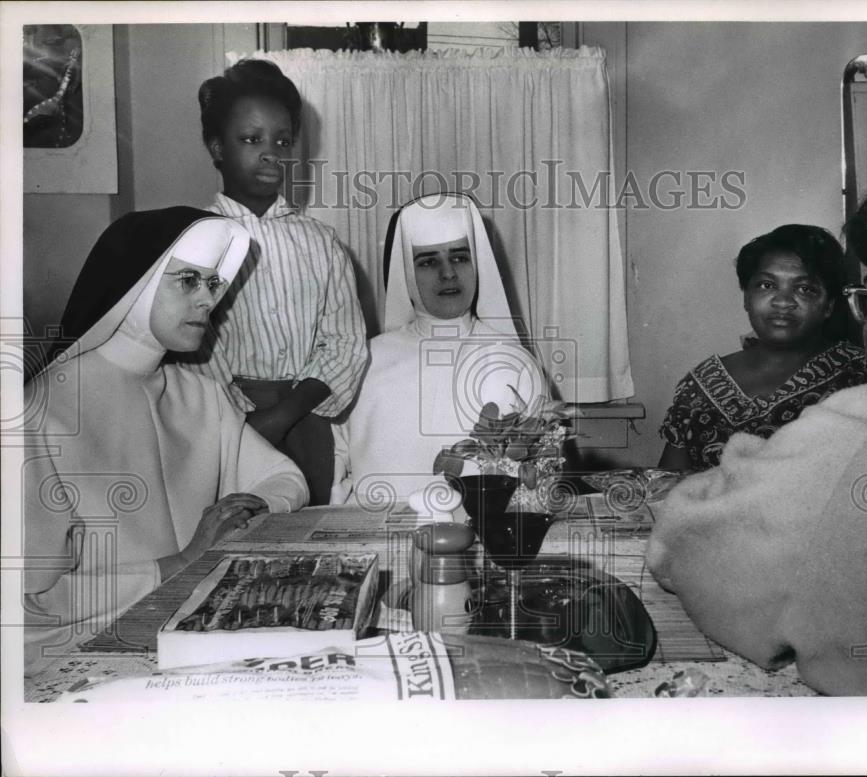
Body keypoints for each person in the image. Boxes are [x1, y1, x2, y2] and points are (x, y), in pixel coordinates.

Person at [645, 148, 867, 695]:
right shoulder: (706, 378)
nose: (782, 302)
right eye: (765, 285)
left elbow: (690, 552)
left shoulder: (859, 415)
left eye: (864, 295)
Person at [23, 209, 309, 674]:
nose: (207, 301)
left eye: (214, 284)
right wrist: (180, 563)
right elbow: (26, 612)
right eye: (188, 281)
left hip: (196, 648)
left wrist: (246, 510)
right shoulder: (38, 413)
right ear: (137, 284)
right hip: (95, 668)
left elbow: (284, 478)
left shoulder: (201, 394)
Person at [185, 58, 368, 505]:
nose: (270, 152)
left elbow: (346, 344)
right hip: (225, 424)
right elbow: (192, 352)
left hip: (308, 416)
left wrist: (285, 413)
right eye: (251, 139)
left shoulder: (321, 242)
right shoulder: (192, 241)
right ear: (216, 147)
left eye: (282, 140)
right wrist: (244, 423)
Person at [332, 192, 548, 505]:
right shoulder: (363, 360)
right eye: (429, 261)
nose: (448, 273)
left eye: (460, 257)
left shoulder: (515, 362)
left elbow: (544, 469)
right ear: (407, 272)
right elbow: (336, 472)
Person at [658, 224, 867, 472]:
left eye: (805, 289)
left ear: (829, 306)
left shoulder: (860, 376)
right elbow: (667, 485)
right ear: (746, 296)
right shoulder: (701, 384)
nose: (783, 302)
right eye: (767, 285)